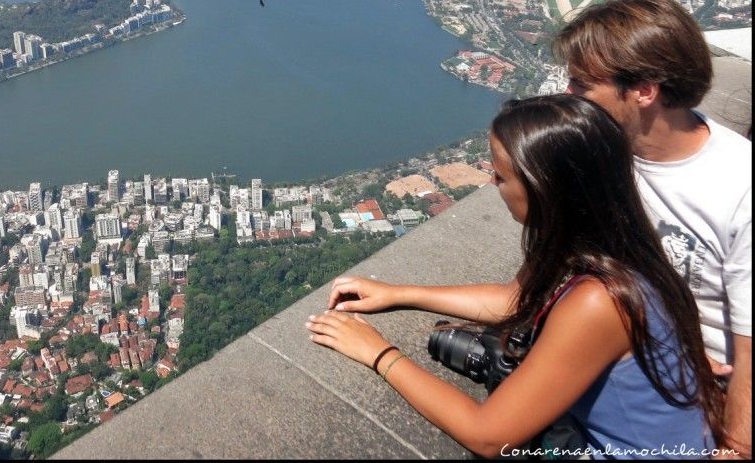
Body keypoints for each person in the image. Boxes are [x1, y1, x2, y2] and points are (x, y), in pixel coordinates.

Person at [307, 95, 724, 459]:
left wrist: (379, 353)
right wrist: (399, 293)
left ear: (545, 189)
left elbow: (489, 436)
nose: (493, 182)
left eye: (503, 175)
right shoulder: (606, 241)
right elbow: (517, 300)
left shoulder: (602, 300)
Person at [554, 0, 751, 458]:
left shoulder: (739, 189)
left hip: (705, 396)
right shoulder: (610, 156)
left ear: (644, 91)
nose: (568, 95)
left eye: (583, 84)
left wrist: (737, 449)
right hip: (644, 358)